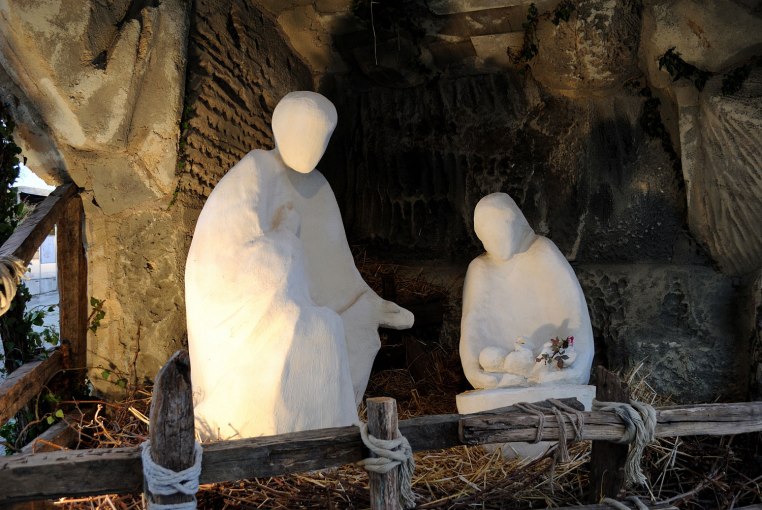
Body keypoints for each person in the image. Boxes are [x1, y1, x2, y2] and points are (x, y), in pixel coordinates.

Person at [186, 91, 413, 440]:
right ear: (281, 128)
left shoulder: (319, 188)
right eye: (303, 132)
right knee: (312, 330)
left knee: (342, 327)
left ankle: (329, 433)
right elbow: (223, 255)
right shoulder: (255, 171)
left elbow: (334, 264)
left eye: (319, 137)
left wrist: (370, 304)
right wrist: (283, 241)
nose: (310, 145)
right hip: (250, 310)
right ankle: (278, 432)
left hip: (297, 302)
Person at [459, 192, 593, 390]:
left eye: (499, 234)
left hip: (545, 360)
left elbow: (574, 316)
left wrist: (579, 364)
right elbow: (473, 329)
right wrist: (472, 369)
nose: (494, 243)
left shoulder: (543, 252)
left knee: (554, 365)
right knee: (492, 369)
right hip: (504, 366)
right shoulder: (479, 269)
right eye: (487, 239)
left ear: (513, 223)